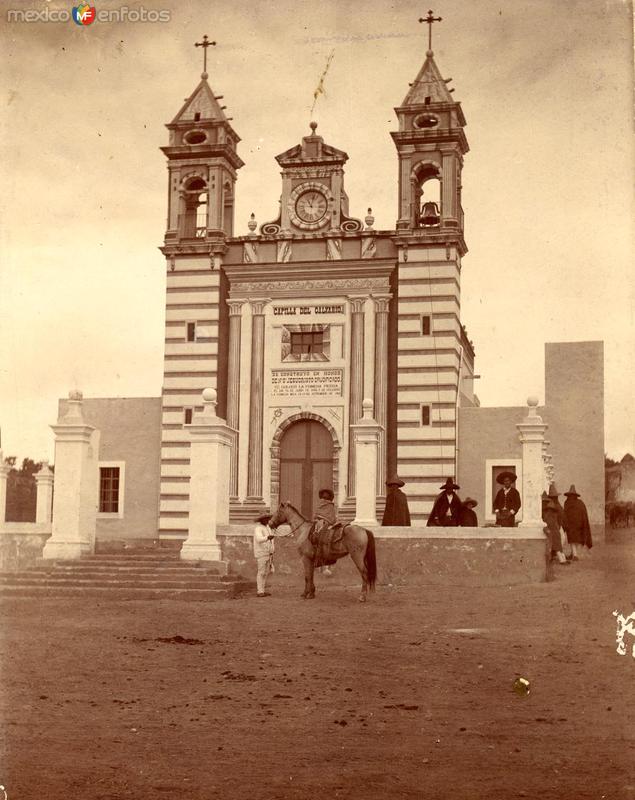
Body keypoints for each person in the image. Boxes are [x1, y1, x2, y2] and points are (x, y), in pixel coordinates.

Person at [563, 484, 593, 559]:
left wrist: (564, 524)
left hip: (570, 524)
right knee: (575, 539)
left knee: (572, 539)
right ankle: (573, 553)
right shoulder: (580, 503)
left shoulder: (567, 503)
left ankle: (575, 555)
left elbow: (565, 514)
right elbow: (584, 514)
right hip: (579, 525)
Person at [314, 488, 338, 575]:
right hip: (320, 525)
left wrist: (324, 521)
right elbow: (316, 516)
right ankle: (318, 565)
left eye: (326, 496)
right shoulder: (321, 505)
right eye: (323, 496)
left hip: (328, 526)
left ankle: (325, 566)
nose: (324, 498)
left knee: (325, 541)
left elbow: (332, 518)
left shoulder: (330, 506)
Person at [542, 485, 568, 565]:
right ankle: (562, 560)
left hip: (556, 528)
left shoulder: (550, 510)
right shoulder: (553, 509)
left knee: (557, 544)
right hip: (555, 528)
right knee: (557, 544)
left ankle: (561, 559)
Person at [253, 513, 276, 597]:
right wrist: (267, 538)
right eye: (265, 519)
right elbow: (259, 539)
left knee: (266, 572)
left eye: (268, 519)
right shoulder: (258, 529)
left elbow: (271, 541)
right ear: (261, 520)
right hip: (261, 553)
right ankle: (259, 591)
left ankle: (262, 590)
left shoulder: (268, 528)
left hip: (268, 553)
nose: (267, 520)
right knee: (261, 572)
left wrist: (272, 550)